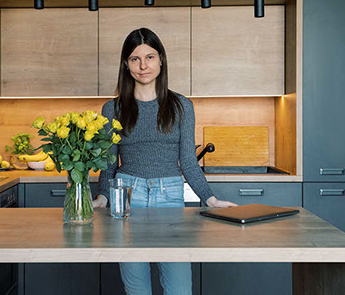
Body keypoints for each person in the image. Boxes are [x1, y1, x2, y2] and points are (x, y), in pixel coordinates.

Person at [93, 27, 237, 295]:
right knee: (137, 289)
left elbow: (188, 162)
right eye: (135, 59)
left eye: (150, 57)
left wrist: (210, 198)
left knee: (179, 288)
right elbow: (109, 162)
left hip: (170, 196)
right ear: (126, 64)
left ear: (161, 60)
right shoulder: (112, 109)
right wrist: (103, 196)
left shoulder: (182, 106)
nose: (143, 65)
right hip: (127, 196)